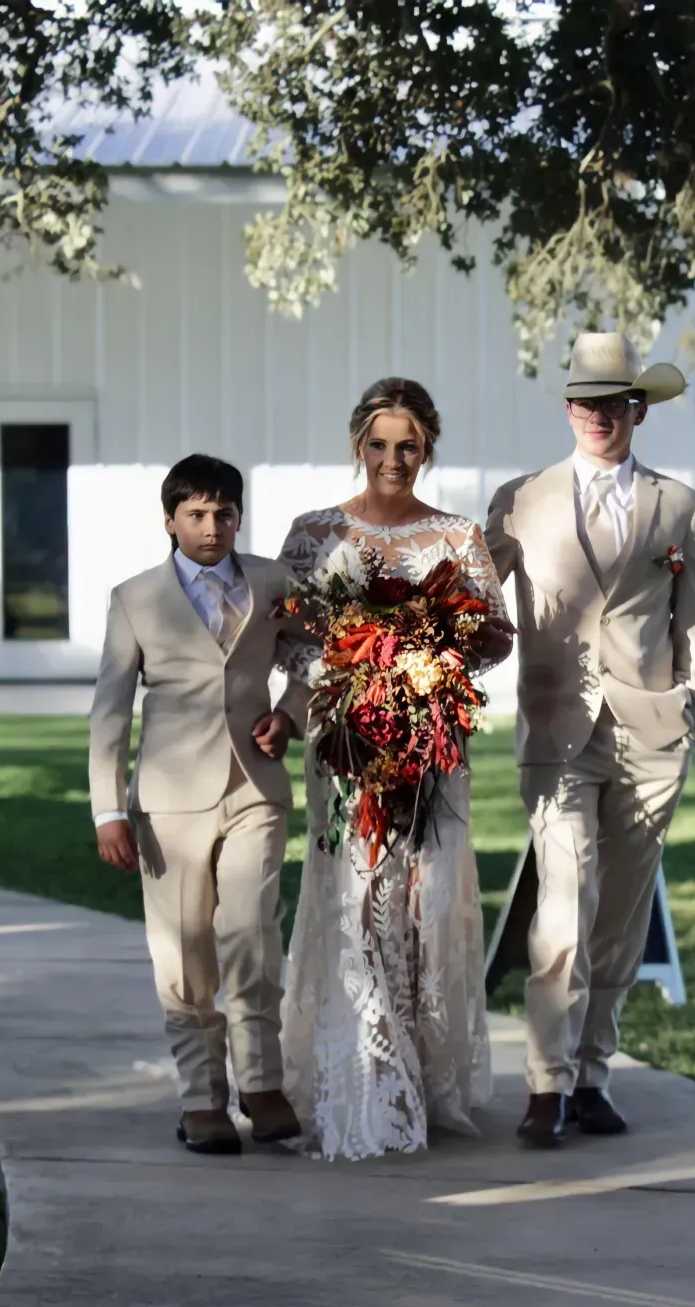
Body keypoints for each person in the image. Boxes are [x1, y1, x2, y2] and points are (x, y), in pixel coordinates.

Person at [486, 332, 695, 1149]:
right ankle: (544, 1085)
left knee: (620, 917)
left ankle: (592, 1074)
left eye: (612, 403)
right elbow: (474, 607)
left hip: (654, 733)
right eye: (583, 401)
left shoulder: (679, 507)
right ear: (567, 408)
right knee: (564, 899)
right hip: (557, 731)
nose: (596, 415)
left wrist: (693, 700)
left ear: (637, 410)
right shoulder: (519, 500)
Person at [279, 377, 512, 1160]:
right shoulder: (313, 533)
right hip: (344, 747)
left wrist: (433, 654)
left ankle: (422, 1066)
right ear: (357, 446)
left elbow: (497, 633)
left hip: (432, 746)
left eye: (407, 446)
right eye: (378, 445)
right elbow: (289, 634)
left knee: (424, 896)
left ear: (427, 449)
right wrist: (355, 674)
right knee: (354, 890)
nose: (392, 459)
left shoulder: (455, 536)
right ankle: (363, 1074)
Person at [88, 453, 312, 1156]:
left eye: (223, 514)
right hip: (170, 802)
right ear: (170, 521)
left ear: (239, 517)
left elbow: (315, 657)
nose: (211, 527)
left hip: (255, 788)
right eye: (196, 514)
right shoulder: (135, 599)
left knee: (252, 933)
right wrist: (108, 811)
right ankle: (200, 1099)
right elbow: (110, 712)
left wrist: (293, 712)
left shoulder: (275, 582)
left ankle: (261, 1082)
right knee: (185, 957)